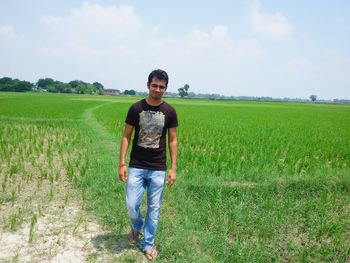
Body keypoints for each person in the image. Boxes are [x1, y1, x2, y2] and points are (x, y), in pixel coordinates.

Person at [118, 69, 178, 261]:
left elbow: (172, 140)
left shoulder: (169, 111)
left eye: (162, 86)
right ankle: (137, 227)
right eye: (154, 85)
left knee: (154, 207)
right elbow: (126, 136)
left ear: (166, 88)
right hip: (136, 164)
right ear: (148, 85)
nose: (157, 89)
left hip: (158, 168)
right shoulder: (136, 108)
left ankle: (148, 243)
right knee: (131, 203)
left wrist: (173, 168)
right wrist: (122, 163)